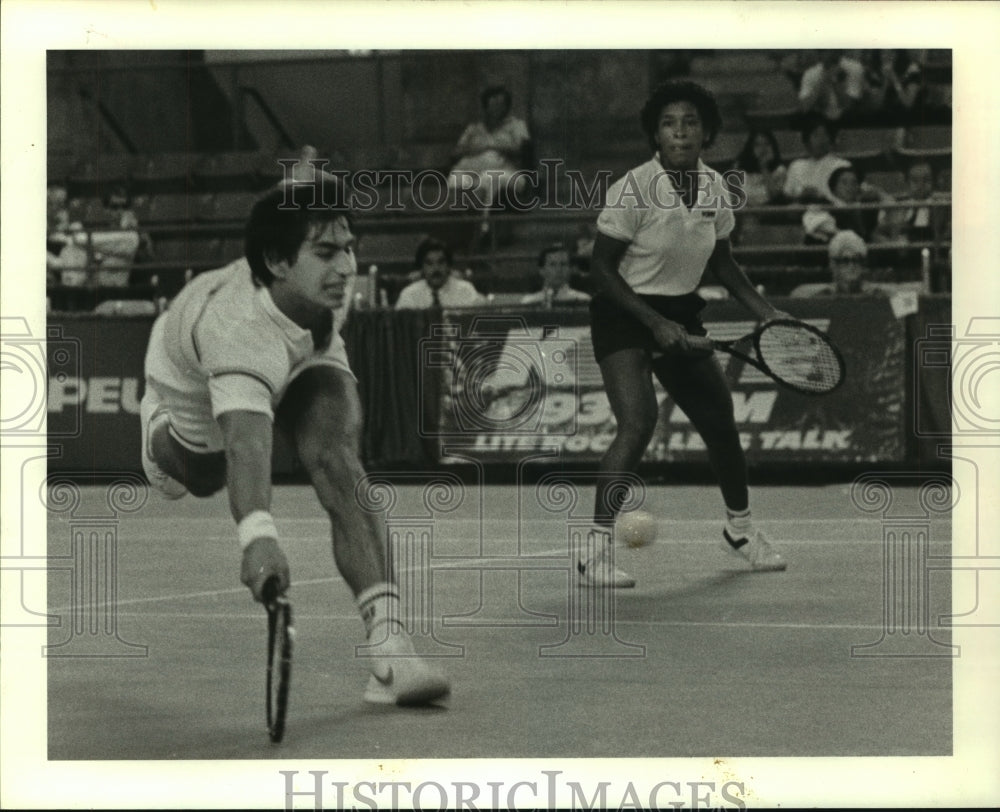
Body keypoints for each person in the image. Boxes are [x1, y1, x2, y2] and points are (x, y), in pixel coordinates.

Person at [139, 163, 450, 706]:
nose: (346, 266)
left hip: (306, 348)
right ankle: (157, 436)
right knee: (202, 475)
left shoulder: (327, 286)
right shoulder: (235, 328)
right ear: (278, 262)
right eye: (327, 254)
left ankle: (389, 649)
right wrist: (258, 538)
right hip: (184, 373)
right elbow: (247, 446)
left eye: (349, 248)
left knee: (339, 463)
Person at [580, 80, 789, 589]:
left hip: (680, 310)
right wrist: (654, 324)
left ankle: (739, 532)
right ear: (655, 133)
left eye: (691, 122)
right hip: (623, 311)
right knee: (638, 422)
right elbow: (600, 269)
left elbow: (723, 261)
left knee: (719, 420)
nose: (680, 132)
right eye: (670, 123)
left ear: (707, 133)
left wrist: (765, 311)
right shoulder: (633, 188)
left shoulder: (716, 188)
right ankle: (593, 554)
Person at [446, 85, 533, 211]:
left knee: (488, 178)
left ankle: (484, 223)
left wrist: (493, 146)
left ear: (506, 107)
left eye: (500, 105)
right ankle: (462, 221)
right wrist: (474, 149)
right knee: (456, 178)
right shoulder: (474, 128)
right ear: (485, 106)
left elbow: (523, 150)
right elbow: (456, 152)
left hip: (508, 172)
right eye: (492, 104)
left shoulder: (517, 125)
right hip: (474, 169)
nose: (496, 108)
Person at [802, 165, 892, 244]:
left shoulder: (865, 208)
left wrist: (877, 192)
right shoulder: (823, 206)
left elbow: (891, 207)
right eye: (844, 182)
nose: (850, 187)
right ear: (834, 187)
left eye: (854, 182)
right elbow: (823, 229)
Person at [394, 237, 487, 309]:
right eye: (429, 263)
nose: (436, 268)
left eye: (441, 262)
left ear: (448, 266)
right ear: (421, 268)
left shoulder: (466, 290)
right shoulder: (409, 294)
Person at [782, 115, 852, 204]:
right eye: (816, 135)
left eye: (824, 134)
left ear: (830, 138)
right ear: (807, 139)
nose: (821, 140)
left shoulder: (842, 165)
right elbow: (787, 195)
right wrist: (802, 195)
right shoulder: (796, 166)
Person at [791, 230, 882, 297]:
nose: (852, 265)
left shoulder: (875, 293)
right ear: (834, 264)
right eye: (845, 260)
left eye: (856, 260)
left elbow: (896, 294)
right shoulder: (823, 293)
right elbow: (796, 294)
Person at [797, 49, 867, 122]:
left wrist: (835, 82)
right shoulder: (810, 73)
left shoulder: (855, 68)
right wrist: (823, 80)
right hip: (820, 120)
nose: (825, 55)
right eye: (821, 51)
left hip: (850, 120)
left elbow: (849, 106)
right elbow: (804, 108)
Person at [520, 243, 591, 306]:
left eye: (563, 264)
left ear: (570, 269)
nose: (559, 270)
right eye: (552, 265)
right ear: (542, 270)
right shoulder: (529, 302)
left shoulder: (583, 300)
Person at [732, 130, 788, 207]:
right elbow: (734, 196)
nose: (763, 148)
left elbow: (775, 196)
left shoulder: (780, 170)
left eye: (767, 144)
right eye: (757, 145)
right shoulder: (739, 167)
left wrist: (764, 167)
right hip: (745, 211)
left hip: (769, 211)